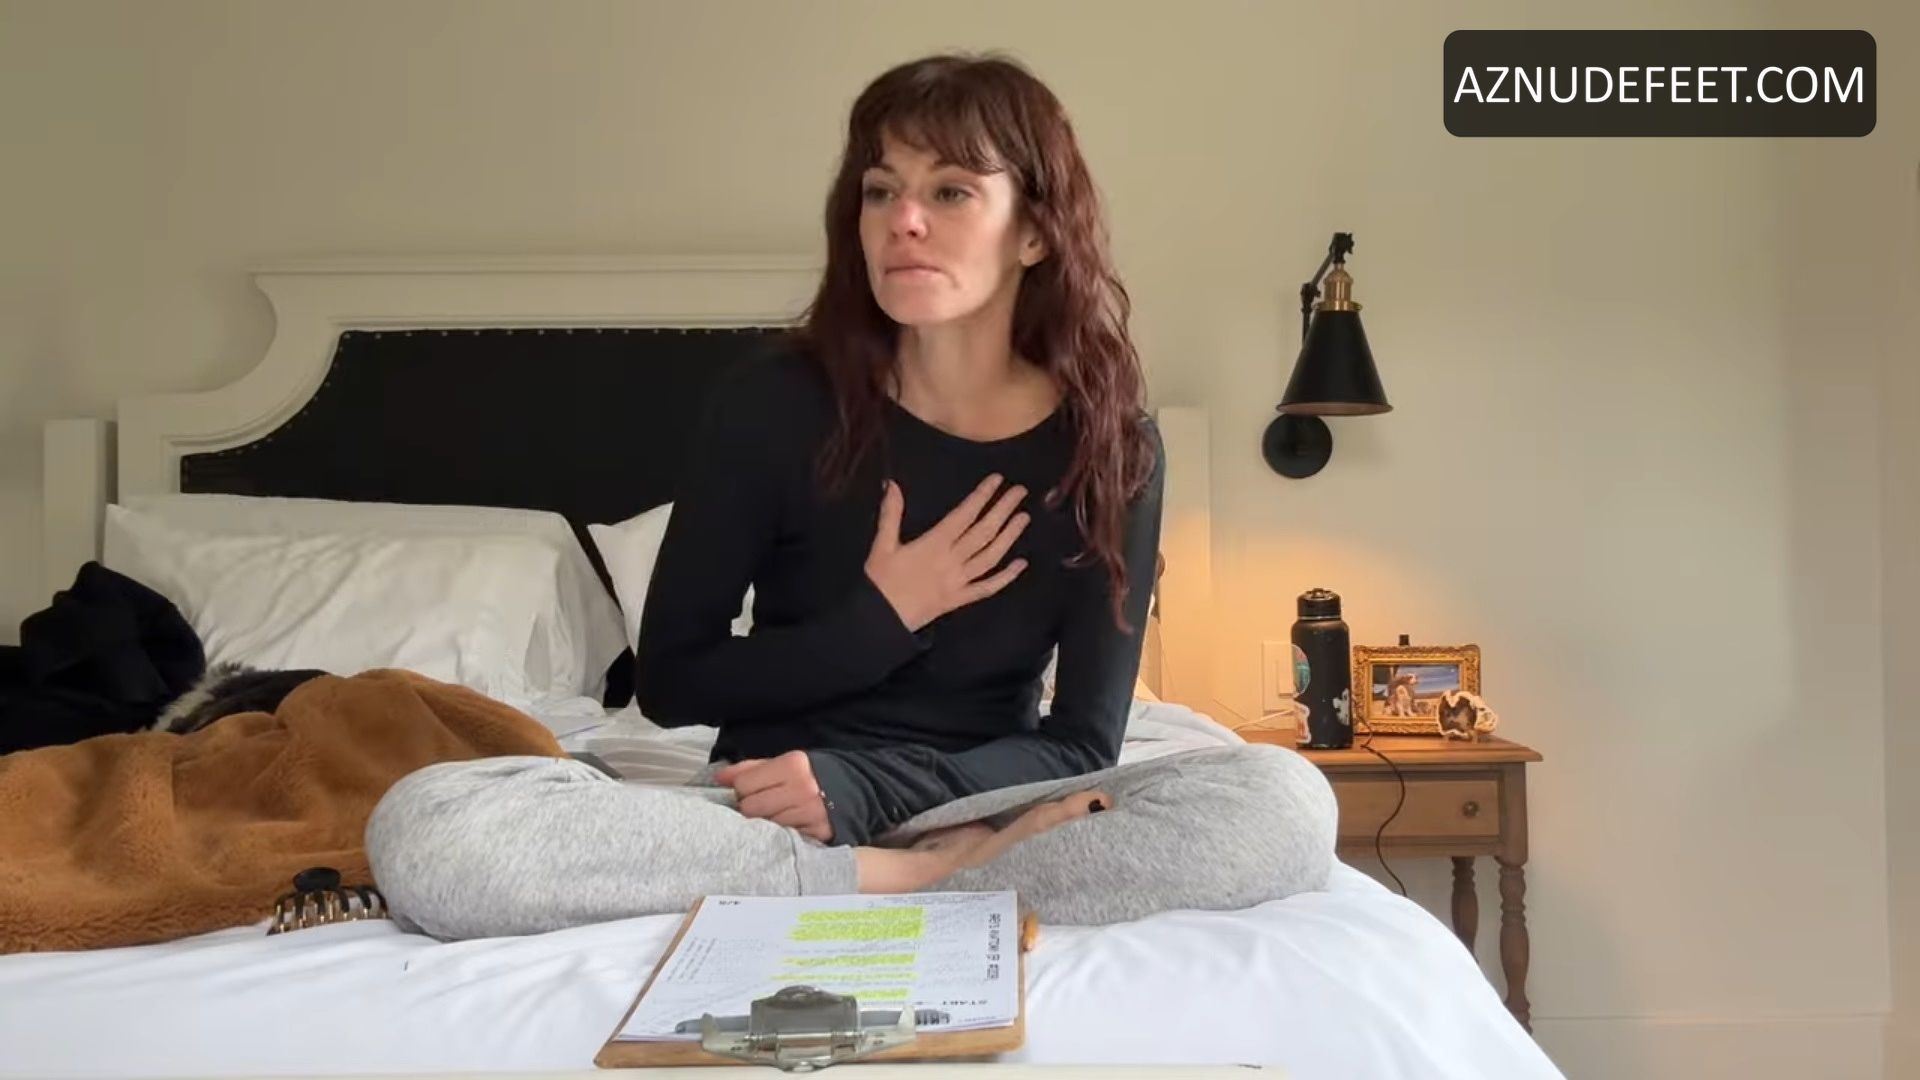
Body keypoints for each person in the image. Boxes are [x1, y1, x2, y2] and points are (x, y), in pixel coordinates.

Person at [366, 52, 1336, 941]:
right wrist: (881, 621)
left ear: (1036, 231)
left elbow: (1082, 741)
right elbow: (673, 683)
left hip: (984, 801)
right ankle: (921, 880)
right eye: (881, 190)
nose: (903, 220)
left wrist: (865, 787)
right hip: (762, 806)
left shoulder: (1111, 445)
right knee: (431, 831)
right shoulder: (775, 405)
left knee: (1285, 801)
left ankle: (903, 870)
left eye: (950, 190)